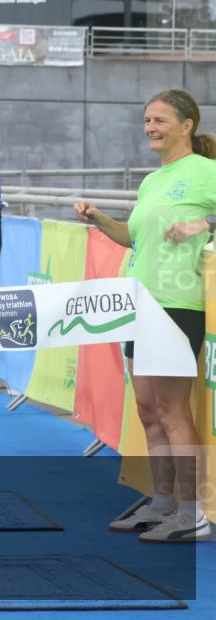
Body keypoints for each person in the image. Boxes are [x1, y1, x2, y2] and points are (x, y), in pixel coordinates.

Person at [75, 88, 216, 542]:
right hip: (138, 303)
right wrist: (98, 217)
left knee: (173, 409)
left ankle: (193, 513)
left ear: (186, 125)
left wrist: (202, 225)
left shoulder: (205, 172)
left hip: (177, 304)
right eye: (146, 122)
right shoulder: (153, 180)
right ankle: (162, 503)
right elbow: (135, 238)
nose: (150, 129)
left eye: (159, 121)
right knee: (147, 408)